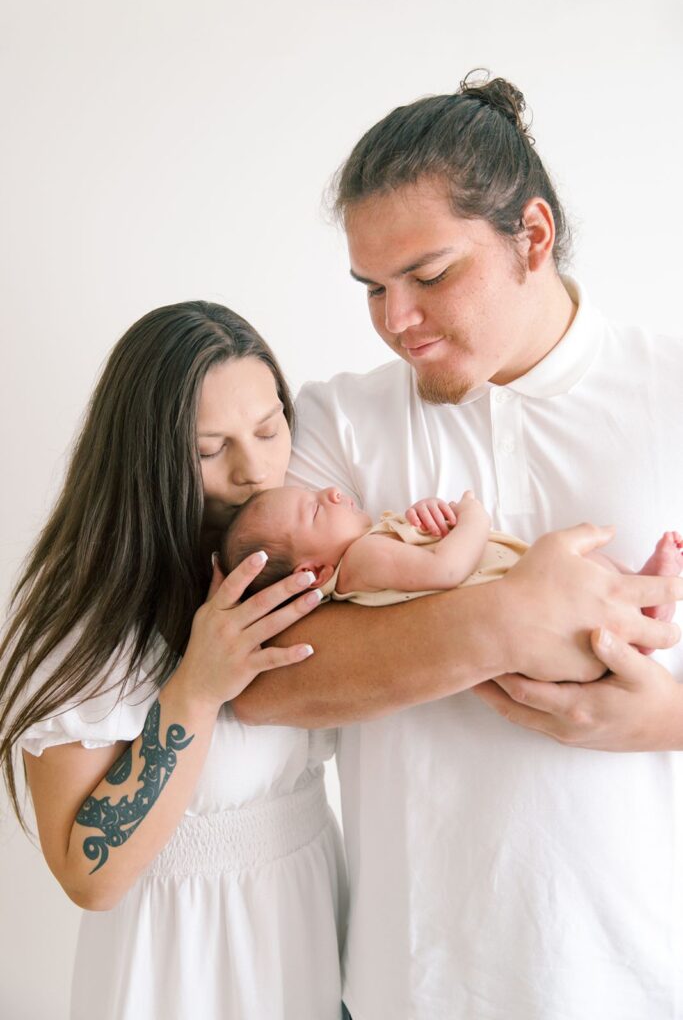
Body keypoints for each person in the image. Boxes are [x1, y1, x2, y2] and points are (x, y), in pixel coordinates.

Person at [227, 73, 683, 1019]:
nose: (398, 320)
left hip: (640, 977)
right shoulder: (331, 428)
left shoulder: (668, 393)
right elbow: (264, 679)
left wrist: (670, 721)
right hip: (409, 983)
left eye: (429, 276)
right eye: (372, 288)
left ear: (534, 237)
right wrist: (503, 617)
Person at [0, 302, 347, 1020]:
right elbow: (89, 877)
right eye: (208, 449)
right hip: (178, 969)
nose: (254, 469)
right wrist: (194, 688)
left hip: (309, 936)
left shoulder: (299, 550)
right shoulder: (91, 611)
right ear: (147, 456)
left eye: (268, 427)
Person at [221, 485, 682, 622]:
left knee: (590, 569)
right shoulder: (360, 561)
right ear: (315, 571)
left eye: (321, 492)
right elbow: (445, 569)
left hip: (522, 586)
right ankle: (645, 605)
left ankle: (643, 592)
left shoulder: (373, 543)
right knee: (581, 569)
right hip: (523, 598)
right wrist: (474, 517)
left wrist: (426, 515)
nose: (334, 494)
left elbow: (427, 550)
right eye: (317, 510)